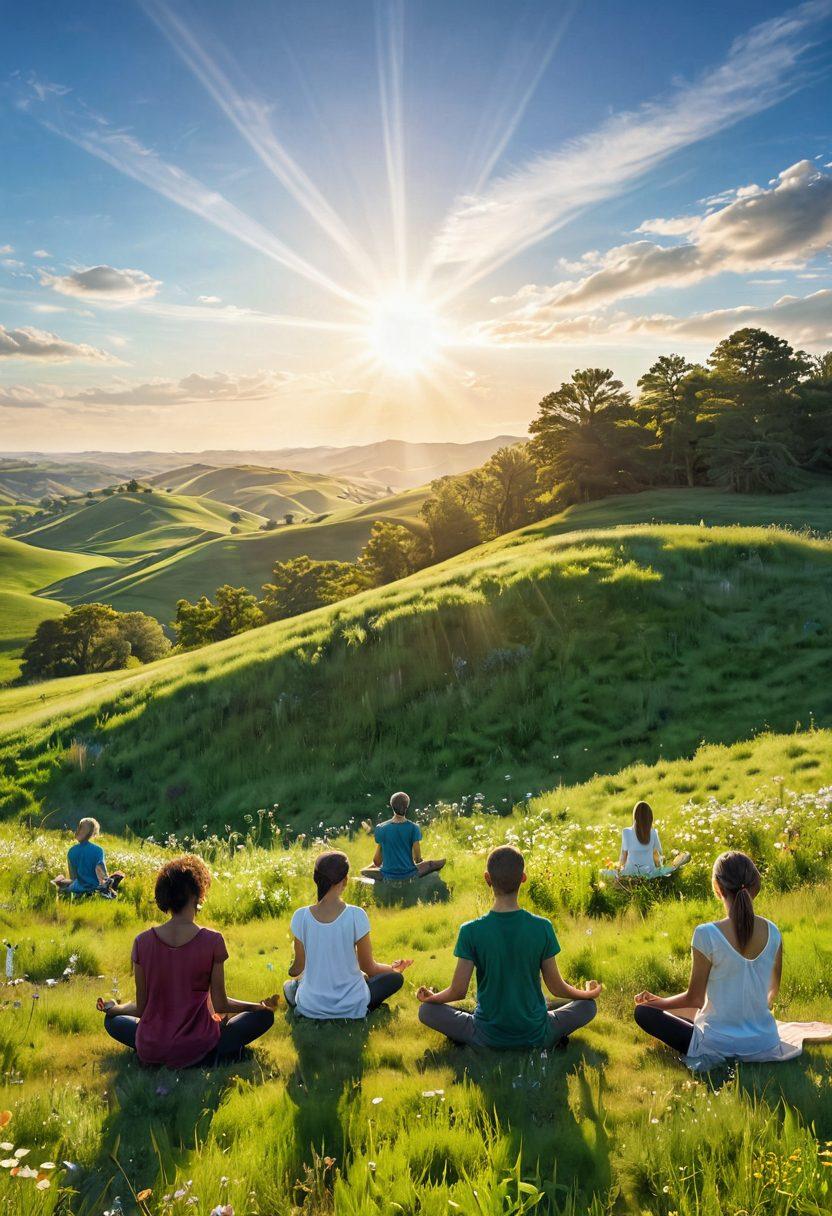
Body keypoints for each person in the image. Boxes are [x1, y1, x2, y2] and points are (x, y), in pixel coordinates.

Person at [633, 850, 832, 1070]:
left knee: (644, 1012)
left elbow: (695, 999)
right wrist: (747, 1015)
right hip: (764, 1042)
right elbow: (772, 991)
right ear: (754, 886)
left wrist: (655, 1003)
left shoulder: (706, 934)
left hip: (716, 1044)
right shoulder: (773, 932)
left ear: (717, 888)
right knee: (692, 1011)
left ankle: (670, 1017)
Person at [99, 855, 276, 1067]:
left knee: (113, 1021)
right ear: (196, 894)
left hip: (153, 1045)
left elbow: (141, 1008)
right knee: (264, 1017)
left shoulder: (142, 942)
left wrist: (114, 1008)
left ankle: (162, 1050)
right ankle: (215, 1053)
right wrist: (257, 1007)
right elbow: (221, 1003)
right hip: (200, 1044)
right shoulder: (213, 940)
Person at [417, 844, 600, 1049]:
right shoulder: (542, 927)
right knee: (588, 1006)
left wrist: (433, 998)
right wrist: (587, 994)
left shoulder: (470, 930)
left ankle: (471, 1038)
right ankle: (552, 1036)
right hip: (536, 1032)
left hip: (486, 1035)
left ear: (487, 878)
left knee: (426, 1011)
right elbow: (556, 987)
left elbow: (458, 991)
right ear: (523, 878)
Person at [284, 850, 412, 1018]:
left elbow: (297, 969)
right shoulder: (356, 915)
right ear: (345, 880)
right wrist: (393, 968)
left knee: (288, 985)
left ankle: (298, 993)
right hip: (352, 1004)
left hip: (311, 1006)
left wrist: (292, 969)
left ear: (316, 879)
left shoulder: (300, 916)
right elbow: (368, 967)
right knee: (395, 979)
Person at [360, 791, 445, 881]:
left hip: (387, 874)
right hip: (409, 874)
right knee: (433, 864)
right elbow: (417, 859)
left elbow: (377, 862)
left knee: (364, 871)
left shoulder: (381, 828)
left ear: (392, 806)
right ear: (407, 806)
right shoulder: (414, 827)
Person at [601, 800, 690, 880]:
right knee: (675, 864)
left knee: (602, 872)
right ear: (650, 818)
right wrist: (660, 869)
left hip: (630, 873)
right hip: (649, 874)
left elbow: (623, 856)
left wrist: (619, 870)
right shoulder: (654, 832)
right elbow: (656, 856)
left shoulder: (626, 832)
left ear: (635, 816)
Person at [51, 818, 125, 898]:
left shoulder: (71, 851)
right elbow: (103, 874)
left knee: (61, 881)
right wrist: (105, 882)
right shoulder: (98, 850)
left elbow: (74, 877)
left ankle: (62, 887)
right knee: (111, 878)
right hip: (95, 887)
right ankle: (110, 885)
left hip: (79, 887)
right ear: (92, 833)